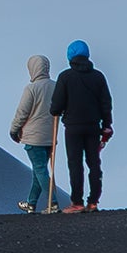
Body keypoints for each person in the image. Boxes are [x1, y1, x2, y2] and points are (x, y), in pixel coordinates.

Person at [51, 41, 112, 213]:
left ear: (70, 56)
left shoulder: (65, 77)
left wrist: (58, 110)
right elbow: (106, 103)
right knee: (94, 163)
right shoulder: (98, 77)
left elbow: (56, 106)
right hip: (93, 126)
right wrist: (107, 125)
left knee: (75, 163)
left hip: (73, 127)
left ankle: (77, 202)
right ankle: (93, 202)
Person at [9, 54, 58, 215]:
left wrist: (14, 130)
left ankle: (53, 203)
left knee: (39, 170)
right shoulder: (55, 86)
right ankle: (31, 204)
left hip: (34, 137)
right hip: (50, 137)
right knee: (39, 170)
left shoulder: (31, 89)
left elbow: (22, 112)